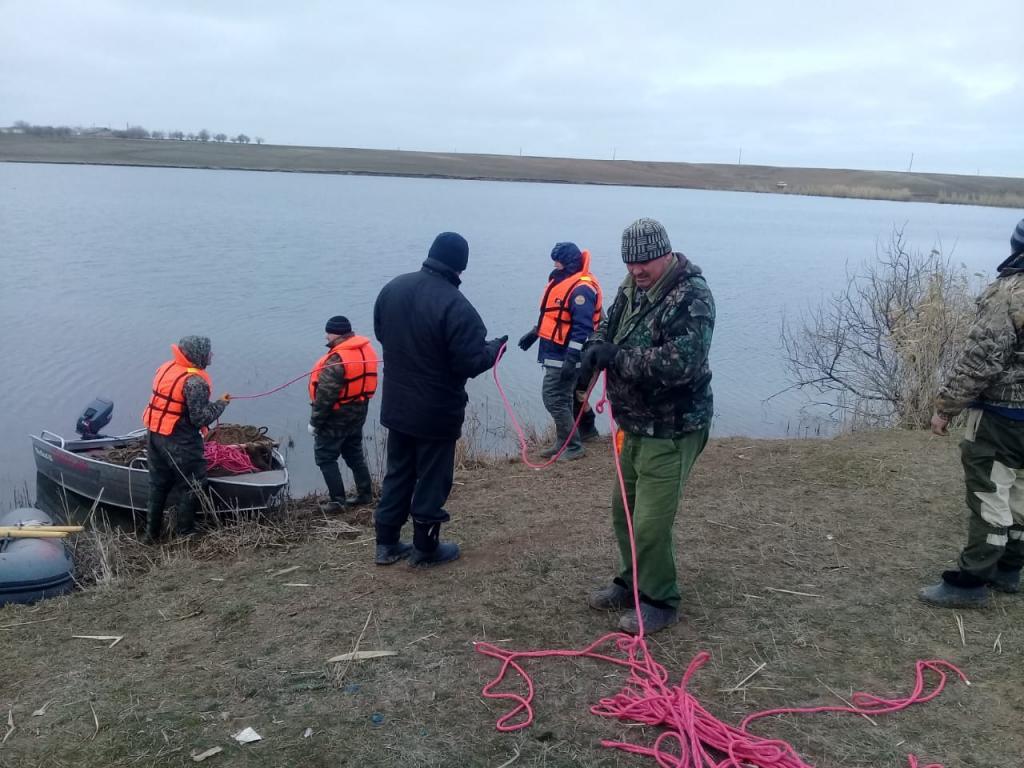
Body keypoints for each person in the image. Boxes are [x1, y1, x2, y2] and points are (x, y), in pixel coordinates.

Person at [580, 218, 715, 634]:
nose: (636, 270)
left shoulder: (694, 296)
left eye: (645, 262)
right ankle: (630, 580)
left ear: (666, 253)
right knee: (625, 512)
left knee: (651, 521)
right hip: (632, 425)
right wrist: (594, 349)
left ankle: (660, 600)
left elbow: (681, 363)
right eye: (630, 261)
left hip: (672, 428)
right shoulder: (630, 286)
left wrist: (616, 357)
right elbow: (609, 325)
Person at [372, 231, 507, 567]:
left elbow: (381, 333)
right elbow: (471, 362)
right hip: (435, 414)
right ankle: (426, 550)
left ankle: (386, 545)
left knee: (398, 473)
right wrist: (495, 349)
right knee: (433, 479)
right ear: (461, 266)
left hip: (397, 406)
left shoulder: (393, 288)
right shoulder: (457, 306)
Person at [920, 217, 1024, 609]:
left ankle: (971, 582)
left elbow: (981, 360)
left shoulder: (1008, 294)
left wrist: (946, 408)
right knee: (1020, 493)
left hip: (1001, 416)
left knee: (988, 493)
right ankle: (1010, 570)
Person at [518, 242, 603, 460]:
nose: (555, 265)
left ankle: (573, 446)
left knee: (553, 397)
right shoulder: (563, 282)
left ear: (568, 262)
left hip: (567, 356)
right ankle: (564, 442)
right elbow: (555, 316)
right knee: (563, 398)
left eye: (558, 261)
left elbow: (582, 327)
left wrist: (572, 358)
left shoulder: (581, 289)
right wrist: (535, 333)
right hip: (554, 352)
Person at [141, 335, 229, 543]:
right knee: (193, 484)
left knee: (158, 485)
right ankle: (185, 533)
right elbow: (200, 418)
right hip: (179, 441)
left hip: (154, 435)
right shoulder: (195, 382)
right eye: (208, 352)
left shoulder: (167, 368)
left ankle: (150, 535)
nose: (211, 355)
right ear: (198, 355)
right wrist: (221, 404)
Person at [308, 315, 378, 513]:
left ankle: (337, 502)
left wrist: (315, 422)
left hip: (336, 416)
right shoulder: (366, 350)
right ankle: (365, 494)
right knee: (354, 453)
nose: (326, 336)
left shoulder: (337, 359)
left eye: (328, 333)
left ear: (336, 334)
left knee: (325, 457)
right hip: (359, 412)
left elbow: (325, 397)